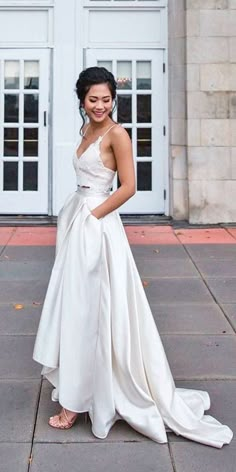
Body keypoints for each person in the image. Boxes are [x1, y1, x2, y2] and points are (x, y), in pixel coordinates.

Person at [33, 67, 233, 448]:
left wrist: (93, 216)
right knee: (76, 308)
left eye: (106, 99)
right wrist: (79, 214)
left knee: (96, 311)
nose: (100, 105)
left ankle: (80, 401)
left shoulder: (117, 134)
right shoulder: (86, 130)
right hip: (80, 220)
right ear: (82, 99)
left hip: (99, 227)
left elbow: (129, 187)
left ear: (113, 99)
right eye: (93, 99)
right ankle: (82, 389)